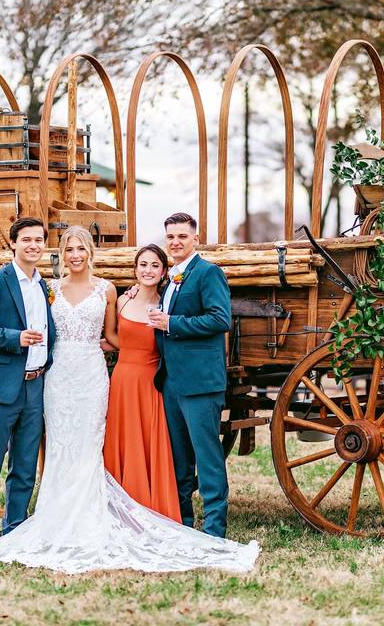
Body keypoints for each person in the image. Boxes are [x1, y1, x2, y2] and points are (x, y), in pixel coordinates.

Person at [0, 226, 258, 574]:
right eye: (69, 249)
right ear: (61, 253)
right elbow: (47, 331)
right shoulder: (48, 288)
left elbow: (115, 335)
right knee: (53, 449)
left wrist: (128, 351)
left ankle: (88, 514)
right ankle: (22, 523)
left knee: (86, 448)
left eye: (81, 248)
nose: (75, 254)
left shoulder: (109, 290)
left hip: (92, 376)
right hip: (57, 378)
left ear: (90, 252)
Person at [0, 216, 56, 547]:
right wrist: (15, 337)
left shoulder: (42, 285)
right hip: (3, 383)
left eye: (39, 240)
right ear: (14, 244)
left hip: (35, 384)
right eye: (27, 240)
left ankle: (15, 527)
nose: (33, 245)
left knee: (25, 463)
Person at [147, 212, 233, 539]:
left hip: (200, 383)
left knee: (207, 458)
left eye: (182, 236)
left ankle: (213, 530)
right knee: (179, 461)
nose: (176, 242)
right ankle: (184, 524)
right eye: (170, 237)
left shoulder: (208, 273)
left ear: (195, 238)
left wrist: (173, 324)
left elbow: (219, 319)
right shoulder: (171, 279)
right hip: (171, 382)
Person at [103, 244, 182, 522]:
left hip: (150, 383)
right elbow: (113, 336)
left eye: (154, 266)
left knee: (147, 442)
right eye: (143, 265)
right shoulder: (124, 301)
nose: (148, 270)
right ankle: (117, 504)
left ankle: (148, 504)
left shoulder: (166, 304)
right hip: (123, 380)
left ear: (163, 272)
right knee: (120, 440)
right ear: (135, 270)